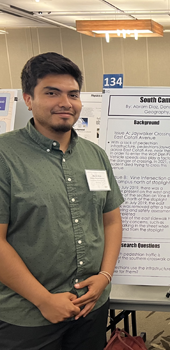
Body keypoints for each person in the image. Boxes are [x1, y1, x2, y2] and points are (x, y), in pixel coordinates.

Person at [0, 52, 124, 350]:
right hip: (28, 316)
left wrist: (104, 277)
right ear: (28, 99)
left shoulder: (95, 155)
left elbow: (111, 220)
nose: (65, 103)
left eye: (73, 94)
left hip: (90, 308)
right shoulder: (5, 156)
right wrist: (44, 300)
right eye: (51, 93)